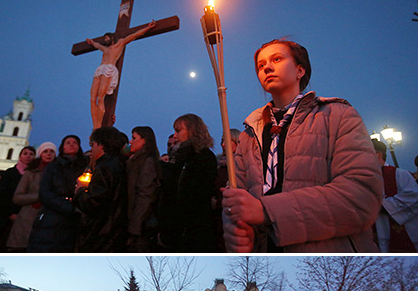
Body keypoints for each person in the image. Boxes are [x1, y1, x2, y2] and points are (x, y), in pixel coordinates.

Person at [222, 36, 383, 253]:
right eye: (261, 65)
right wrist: (235, 232)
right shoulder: (249, 135)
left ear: (300, 70)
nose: (267, 67)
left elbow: (361, 196)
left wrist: (265, 210)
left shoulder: (338, 116)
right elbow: (237, 201)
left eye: (277, 59)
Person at [159, 115, 218, 251]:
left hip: (192, 230)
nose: (174, 135)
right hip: (175, 230)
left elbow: (197, 196)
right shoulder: (178, 158)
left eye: (178, 131)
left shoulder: (203, 157)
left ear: (192, 131)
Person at [87, 21, 156, 129]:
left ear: (112, 38)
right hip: (100, 69)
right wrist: (91, 42)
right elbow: (96, 45)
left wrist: (147, 27)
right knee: (92, 98)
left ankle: (98, 127)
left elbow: (135, 35)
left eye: (107, 38)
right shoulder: (104, 49)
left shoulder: (119, 44)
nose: (105, 40)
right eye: (104, 39)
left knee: (101, 96)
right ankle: (95, 126)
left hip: (109, 69)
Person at [28, 135, 87, 252]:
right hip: (53, 216)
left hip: (78, 218)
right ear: (62, 147)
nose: (71, 144)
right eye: (67, 143)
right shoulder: (53, 167)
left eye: (75, 142)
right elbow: (45, 192)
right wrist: (68, 206)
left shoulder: (85, 167)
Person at [75, 128, 128, 252]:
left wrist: (81, 190)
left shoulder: (105, 167)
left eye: (92, 144)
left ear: (101, 144)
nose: (91, 149)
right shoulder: (117, 163)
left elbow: (94, 203)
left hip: (101, 232)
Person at [0, 145, 37, 251]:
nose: (28, 156)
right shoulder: (9, 173)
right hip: (6, 215)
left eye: (31, 154)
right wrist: (10, 213)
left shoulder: (35, 175)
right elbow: (1, 196)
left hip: (25, 216)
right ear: (20, 156)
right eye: (25, 154)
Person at [6, 143, 57, 251]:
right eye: (45, 151)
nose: (48, 154)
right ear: (40, 154)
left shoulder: (59, 173)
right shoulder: (30, 173)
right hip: (28, 219)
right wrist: (40, 196)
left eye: (51, 151)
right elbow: (17, 197)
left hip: (51, 218)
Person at [373, 140, 418, 252]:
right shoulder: (364, 178)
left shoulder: (399, 174)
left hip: (403, 231)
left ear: (378, 155)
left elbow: (413, 196)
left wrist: (384, 207)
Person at [126, 126, 160, 251]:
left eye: (134, 138)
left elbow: (145, 195)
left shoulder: (147, 162)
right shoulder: (135, 161)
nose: (130, 141)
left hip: (142, 225)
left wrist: (135, 226)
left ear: (144, 140)